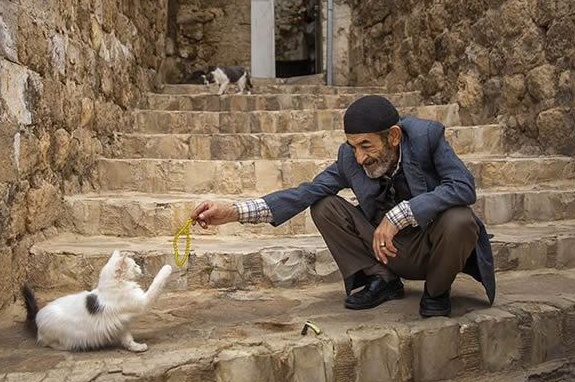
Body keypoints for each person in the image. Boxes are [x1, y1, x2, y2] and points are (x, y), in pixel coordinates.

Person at [190, 95, 495, 317]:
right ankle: (384, 280)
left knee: (460, 219)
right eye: (353, 147)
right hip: (385, 251)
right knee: (323, 205)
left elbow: (463, 186)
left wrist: (400, 214)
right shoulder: (350, 159)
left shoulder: (426, 138)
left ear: (393, 136)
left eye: (366, 145)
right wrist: (233, 212)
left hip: (434, 247)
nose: (360, 157)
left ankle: (437, 293)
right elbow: (305, 192)